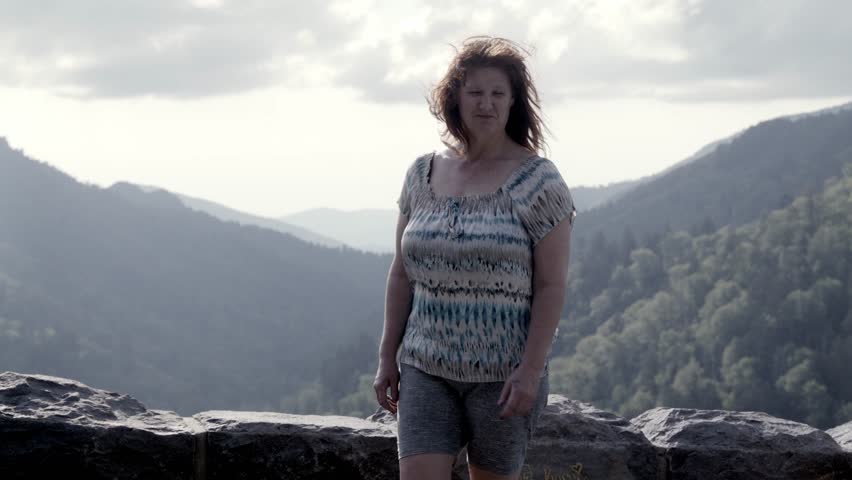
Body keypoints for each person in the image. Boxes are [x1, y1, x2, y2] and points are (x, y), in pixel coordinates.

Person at [373, 36, 576, 480]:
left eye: (498, 94)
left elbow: (551, 285)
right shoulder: (420, 174)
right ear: (455, 98)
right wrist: (387, 357)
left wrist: (530, 371)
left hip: (503, 377)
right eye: (475, 92)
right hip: (426, 367)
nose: (486, 104)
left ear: (513, 102)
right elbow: (401, 275)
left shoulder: (538, 181)